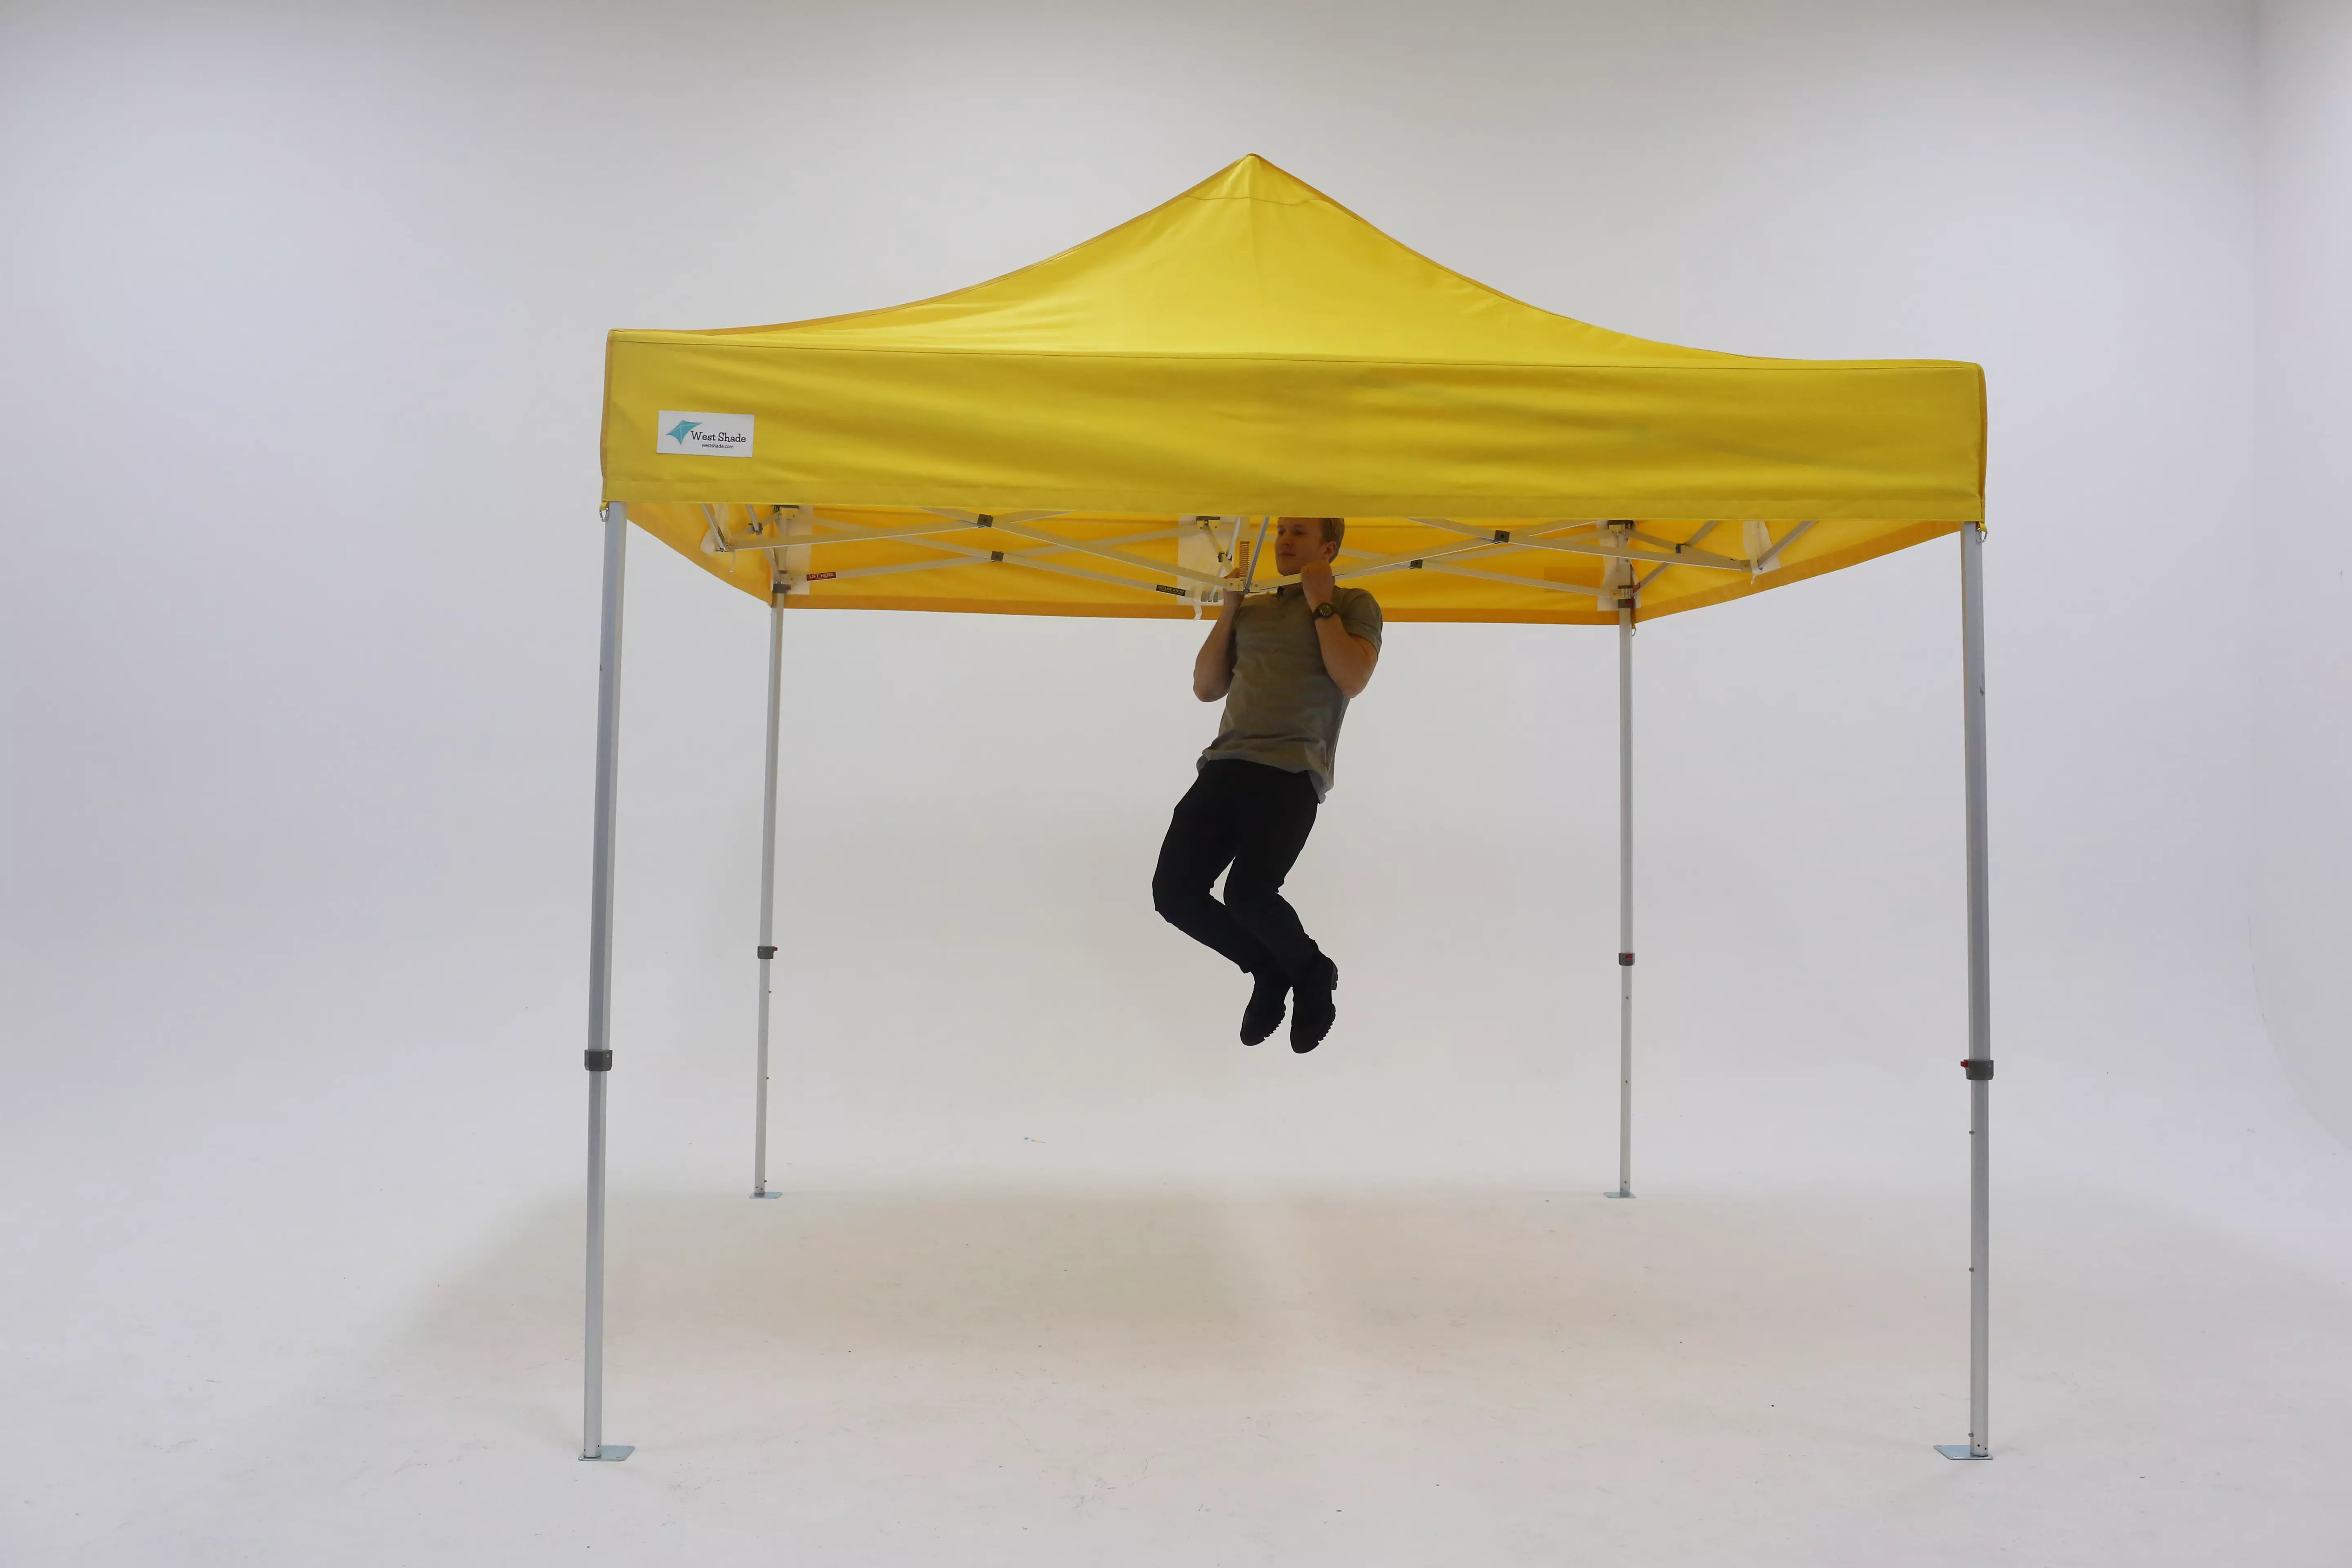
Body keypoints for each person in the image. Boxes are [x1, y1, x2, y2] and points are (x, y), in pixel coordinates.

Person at [1151, 517, 1383, 1053]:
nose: (1284, 541)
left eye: (1299, 533)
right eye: (1282, 531)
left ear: (1328, 548)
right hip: (1227, 763)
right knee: (1175, 895)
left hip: (1291, 770)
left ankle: (1312, 972)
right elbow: (1206, 687)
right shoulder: (1253, 607)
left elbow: (1353, 677)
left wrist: (1321, 601)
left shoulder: (1354, 603)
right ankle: (1268, 970)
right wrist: (1230, 611)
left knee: (1250, 895)